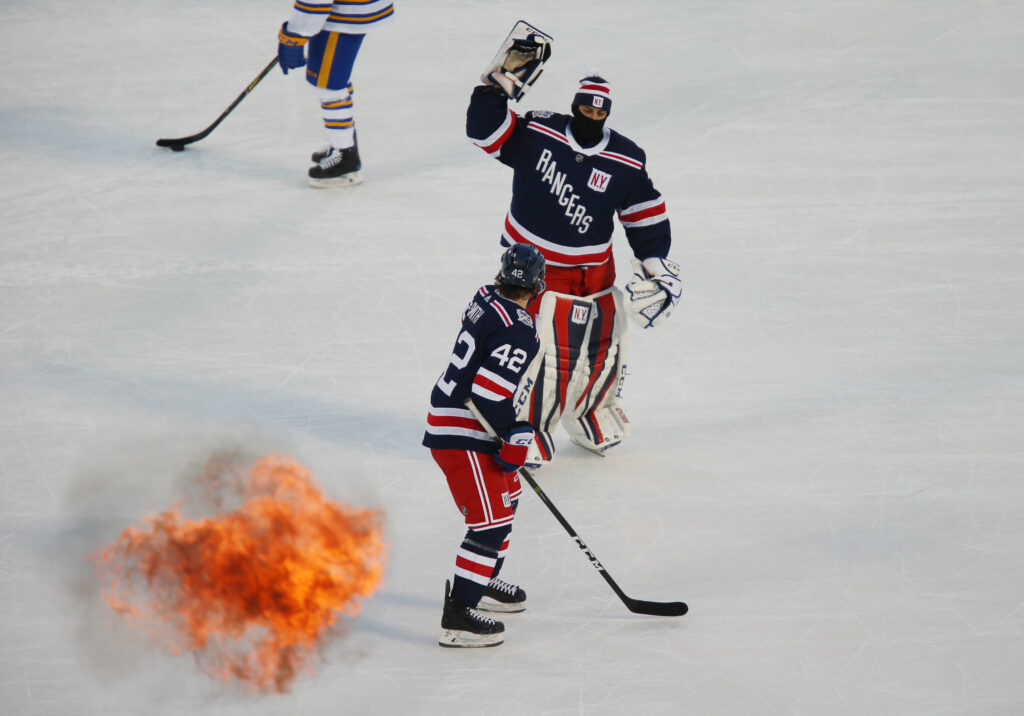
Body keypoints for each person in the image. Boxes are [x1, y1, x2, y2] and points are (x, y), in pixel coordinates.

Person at [466, 69, 683, 465]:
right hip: (534, 270)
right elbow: (485, 133)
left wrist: (656, 265)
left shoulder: (626, 158)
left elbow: (642, 211)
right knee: (535, 351)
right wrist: (493, 92)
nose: (592, 116)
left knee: (601, 346)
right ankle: (523, 426)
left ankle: (590, 412)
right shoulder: (537, 132)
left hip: (596, 273)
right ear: (574, 106)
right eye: (585, 108)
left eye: (600, 111)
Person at [422, 244, 545, 648]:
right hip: (462, 432)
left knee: (507, 498)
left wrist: (509, 432)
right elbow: (488, 393)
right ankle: (459, 616)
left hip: (457, 418)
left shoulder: (484, 298)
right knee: (488, 525)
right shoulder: (521, 330)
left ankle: (484, 579)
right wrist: (515, 434)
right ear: (538, 285)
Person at [276, 0, 395, 187]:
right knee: (331, 81)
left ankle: (345, 156)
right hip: (349, 11)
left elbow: (316, 3)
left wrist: (295, 34)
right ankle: (340, 141)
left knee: (329, 86)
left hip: (343, 17)